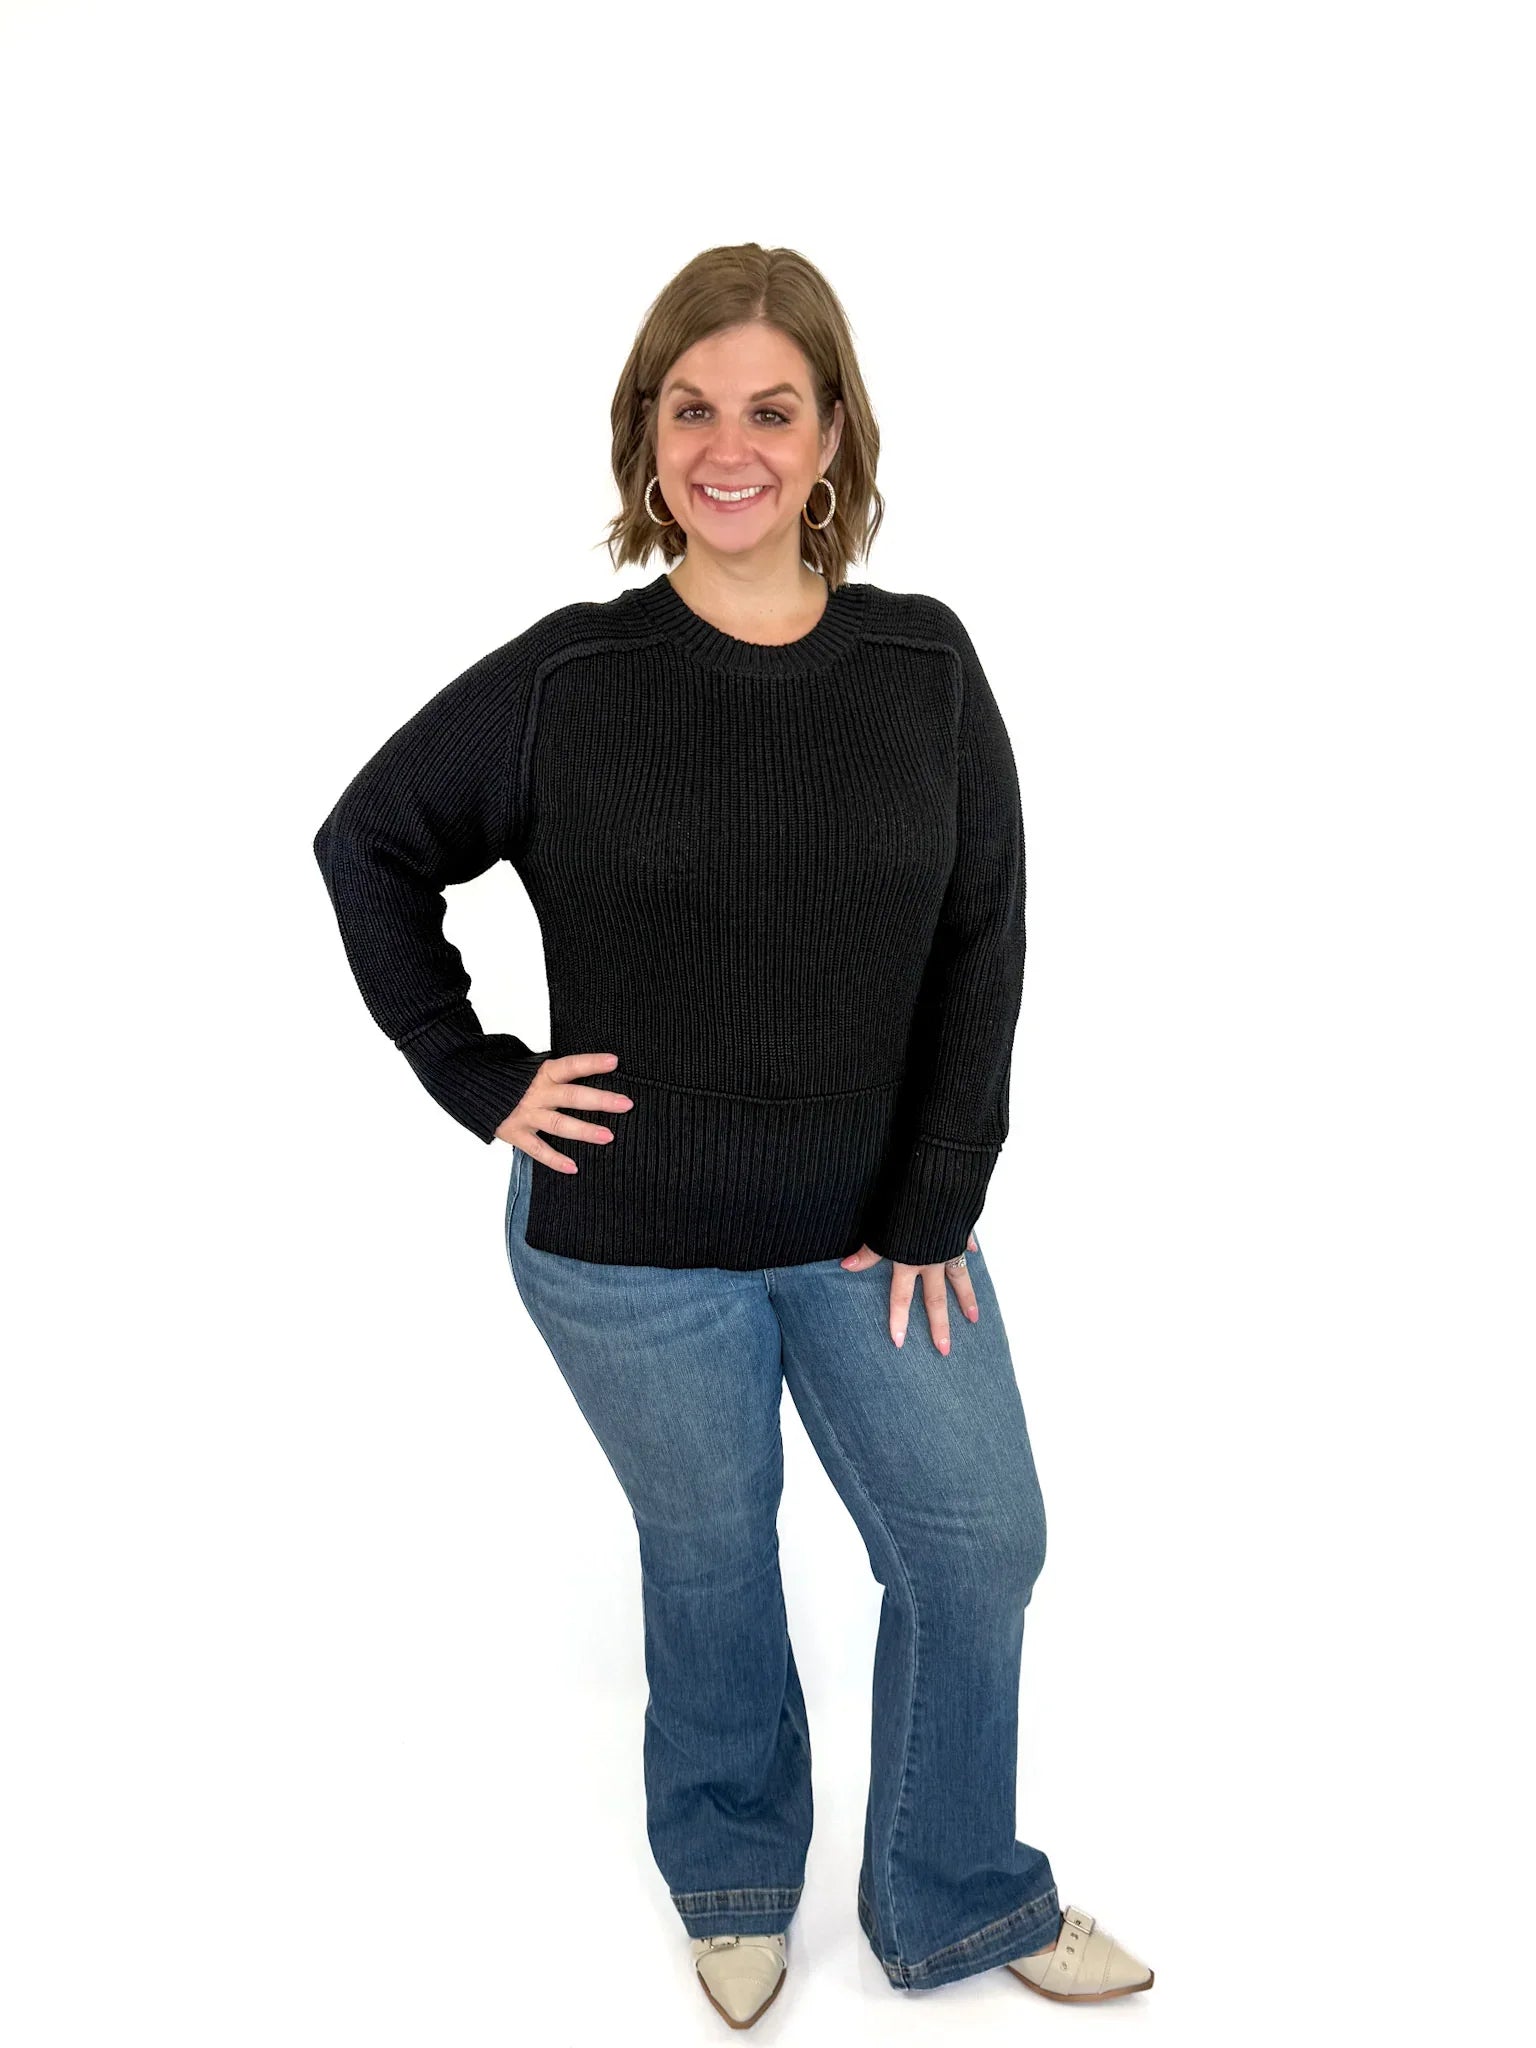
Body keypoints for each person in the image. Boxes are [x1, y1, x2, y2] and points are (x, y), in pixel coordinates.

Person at [312, 241, 1153, 2025]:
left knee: (978, 1543)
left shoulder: (922, 664)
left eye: (772, 409)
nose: (729, 446)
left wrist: (934, 1201)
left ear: (834, 432)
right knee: (711, 1558)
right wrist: (479, 1075)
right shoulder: (573, 676)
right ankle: (732, 1876)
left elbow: (985, 940)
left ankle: (953, 1895)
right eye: (690, 409)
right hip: (625, 1247)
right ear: (646, 435)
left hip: (877, 1231)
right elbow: (368, 843)